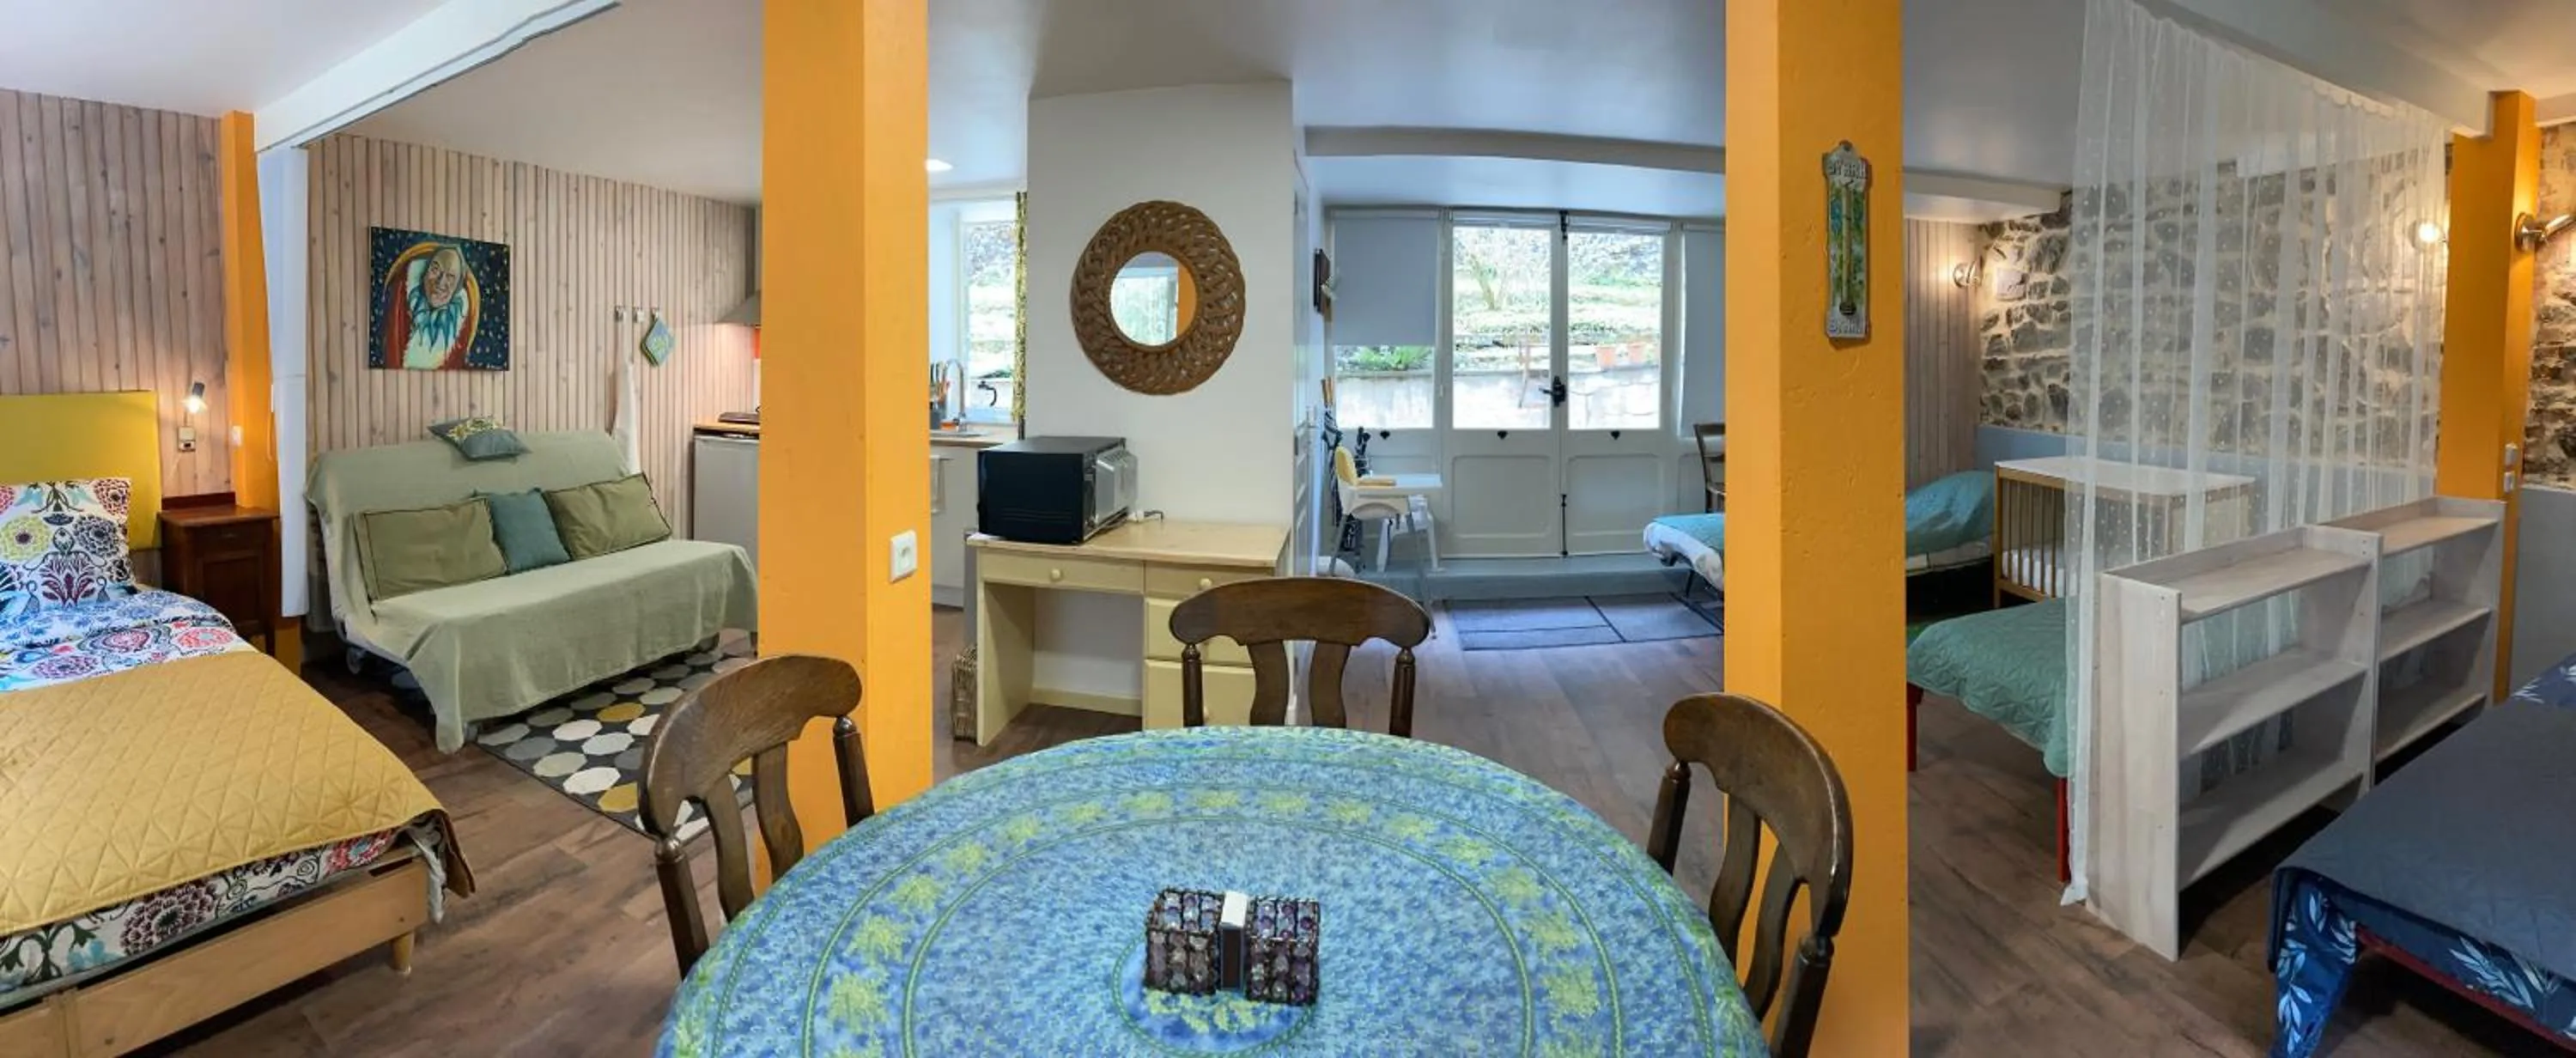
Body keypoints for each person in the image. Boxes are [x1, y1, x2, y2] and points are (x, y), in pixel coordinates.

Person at [379, 243, 480, 369]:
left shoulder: (459, 334)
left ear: (457, 289)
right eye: (435, 270)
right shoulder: (400, 307)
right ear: (424, 274)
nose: (441, 282)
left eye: (450, 277)